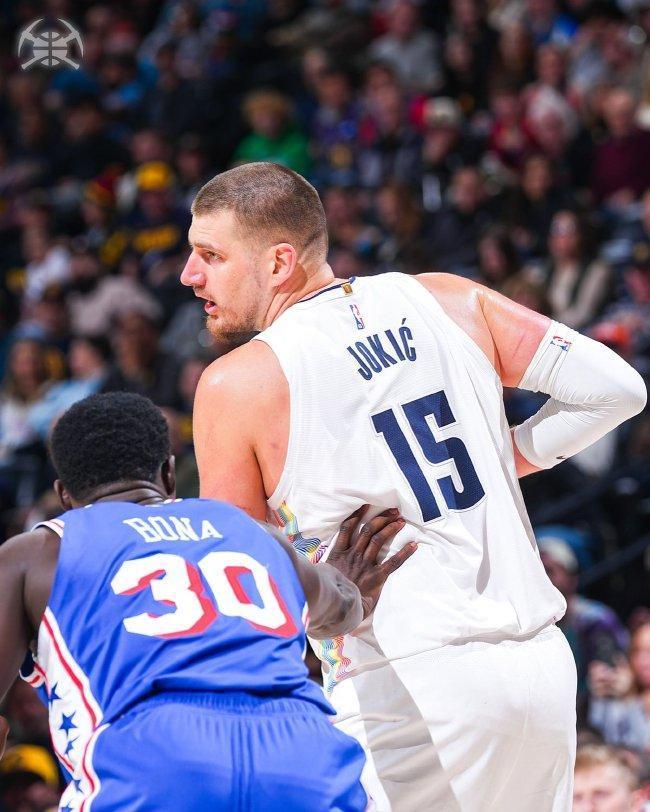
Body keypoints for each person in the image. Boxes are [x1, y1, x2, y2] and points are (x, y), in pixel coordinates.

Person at [183, 161, 647, 811]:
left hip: (406, 682)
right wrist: (506, 455)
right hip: (539, 669)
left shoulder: (237, 383)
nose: (190, 274)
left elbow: (239, 578)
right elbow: (617, 390)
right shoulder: (446, 298)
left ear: (279, 262)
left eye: (210, 255)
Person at [0, 391, 415, 810]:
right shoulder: (251, 531)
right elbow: (342, 607)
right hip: (303, 758)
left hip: (155, 764)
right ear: (168, 474)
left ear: (64, 497)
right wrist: (343, 581)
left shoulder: (35, 554)